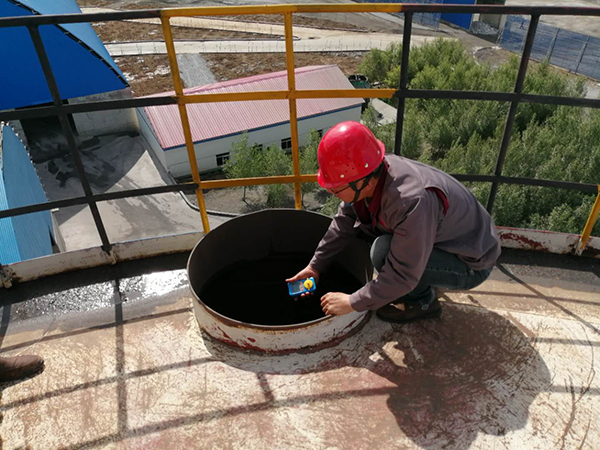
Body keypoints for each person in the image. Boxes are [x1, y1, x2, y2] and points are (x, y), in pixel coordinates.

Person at [287, 121, 501, 323]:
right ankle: (423, 279)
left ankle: (423, 302)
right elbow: (344, 222)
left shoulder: (410, 201)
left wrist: (352, 302)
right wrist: (315, 266)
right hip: (446, 238)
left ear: (362, 182)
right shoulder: (373, 171)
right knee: (377, 243)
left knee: (382, 252)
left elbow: (402, 275)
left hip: (471, 263)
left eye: (336, 189)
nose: (332, 193)